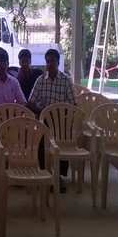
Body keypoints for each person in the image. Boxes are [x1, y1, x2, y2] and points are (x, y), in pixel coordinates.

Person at [27, 48, 77, 193]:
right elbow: (30, 103)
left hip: (60, 121)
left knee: (60, 142)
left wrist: (60, 115)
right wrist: (43, 113)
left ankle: (58, 176)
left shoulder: (66, 80)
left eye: (53, 61)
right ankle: (44, 173)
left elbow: (74, 105)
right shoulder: (41, 80)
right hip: (43, 120)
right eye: (47, 61)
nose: (50, 64)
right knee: (41, 140)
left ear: (58, 62)